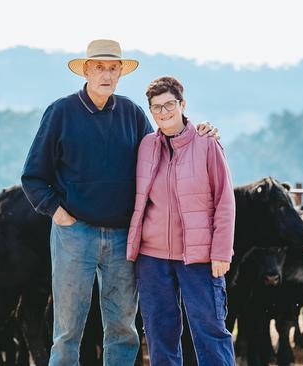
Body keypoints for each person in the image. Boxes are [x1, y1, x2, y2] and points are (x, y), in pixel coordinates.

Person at [21, 40, 217, 366]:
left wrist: (199, 132)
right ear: (86, 70)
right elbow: (33, 176)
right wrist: (58, 213)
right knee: (68, 328)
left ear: (120, 74)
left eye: (113, 68)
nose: (106, 74)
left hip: (123, 236)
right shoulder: (60, 112)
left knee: (123, 327)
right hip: (74, 233)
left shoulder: (132, 114)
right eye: (99, 67)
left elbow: (165, 144)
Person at [126, 76, 236, 365]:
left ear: (182, 104)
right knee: (160, 333)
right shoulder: (146, 146)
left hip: (199, 257)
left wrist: (222, 252)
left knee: (210, 329)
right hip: (152, 258)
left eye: (169, 105)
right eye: (156, 107)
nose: (163, 112)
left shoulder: (207, 144)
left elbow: (225, 200)